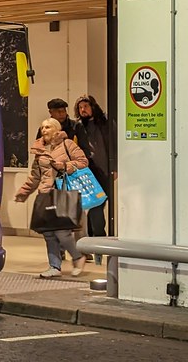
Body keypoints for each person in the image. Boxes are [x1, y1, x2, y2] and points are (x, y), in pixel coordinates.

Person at [15, 117, 89, 278]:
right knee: (48, 233)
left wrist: (65, 166)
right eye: (42, 127)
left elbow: (83, 162)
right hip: (45, 194)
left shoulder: (67, 144)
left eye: (48, 127)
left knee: (62, 231)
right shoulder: (39, 150)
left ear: (56, 129)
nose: (44, 130)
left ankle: (78, 257)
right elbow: (35, 176)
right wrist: (24, 191)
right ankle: (54, 267)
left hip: (62, 193)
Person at [75, 94, 116, 260]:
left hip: (104, 170)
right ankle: (98, 240)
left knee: (99, 205)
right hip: (88, 172)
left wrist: (114, 168)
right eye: (80, 107)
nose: (83, 110)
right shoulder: (78, 126)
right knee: (95, 206)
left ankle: (97, 241)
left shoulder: (104, 123)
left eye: (86, 106)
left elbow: (113, 145)